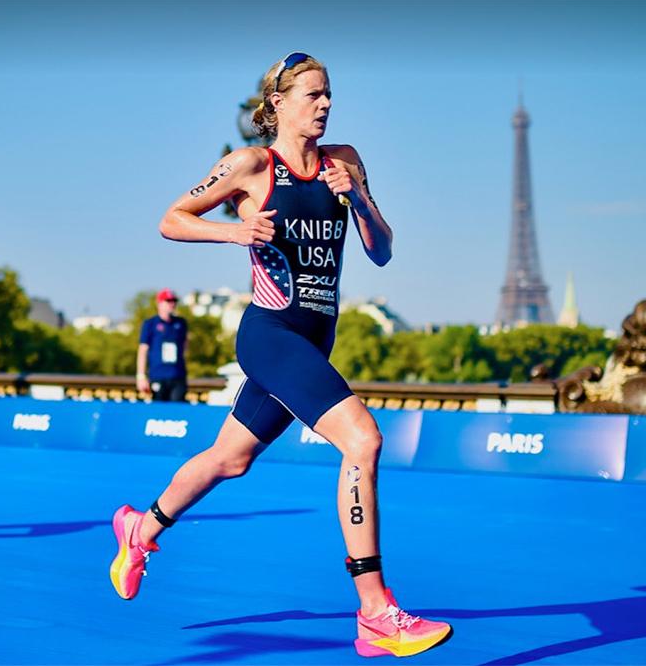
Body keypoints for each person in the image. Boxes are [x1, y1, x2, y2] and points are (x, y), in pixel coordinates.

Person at [111, 52, 451, 658]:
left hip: (317, 336)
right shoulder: (251, 165)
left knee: (229, 459)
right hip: (270, 336)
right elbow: (171, 218)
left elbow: (381, 251)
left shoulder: (345, 163)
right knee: (362, 440)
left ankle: (141, 527)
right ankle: (375, 609)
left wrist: (362, 203)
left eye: (329, 96)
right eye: (313, 95)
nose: (323, 105)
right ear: (278, 104)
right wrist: (231, 230)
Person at [136, 288, 188, 402]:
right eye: (168, 301)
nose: (172, 304)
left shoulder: (181, 323)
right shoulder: (150, 324)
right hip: (158, 375)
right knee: (159, 410)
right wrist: (141, 375)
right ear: (159, 303)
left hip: (177, 375)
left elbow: (185, 346)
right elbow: (143, 350)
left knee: (178, 410)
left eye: (173, 301)